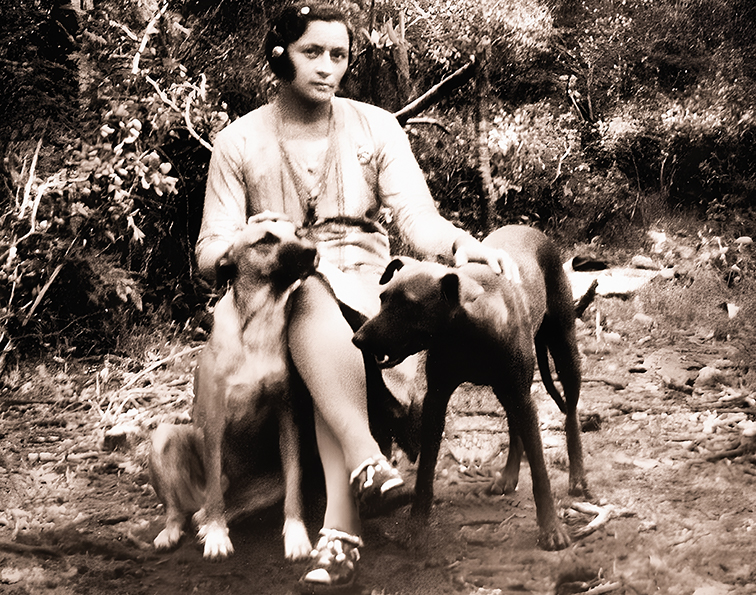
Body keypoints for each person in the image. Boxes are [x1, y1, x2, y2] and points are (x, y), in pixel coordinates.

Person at [196, 3, 516, 592]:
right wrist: (241, 240)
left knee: (321, 319)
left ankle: (357, 477)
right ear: (279, 56)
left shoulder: (376, 127)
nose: (327, 68)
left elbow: (416, 216)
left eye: (338, 55)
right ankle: (359, 483)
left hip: (374, 294)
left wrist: (461, 245)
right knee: (307, 291)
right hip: (288, 295)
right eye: (312, 52)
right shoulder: (238, 141)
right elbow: (207, 253)